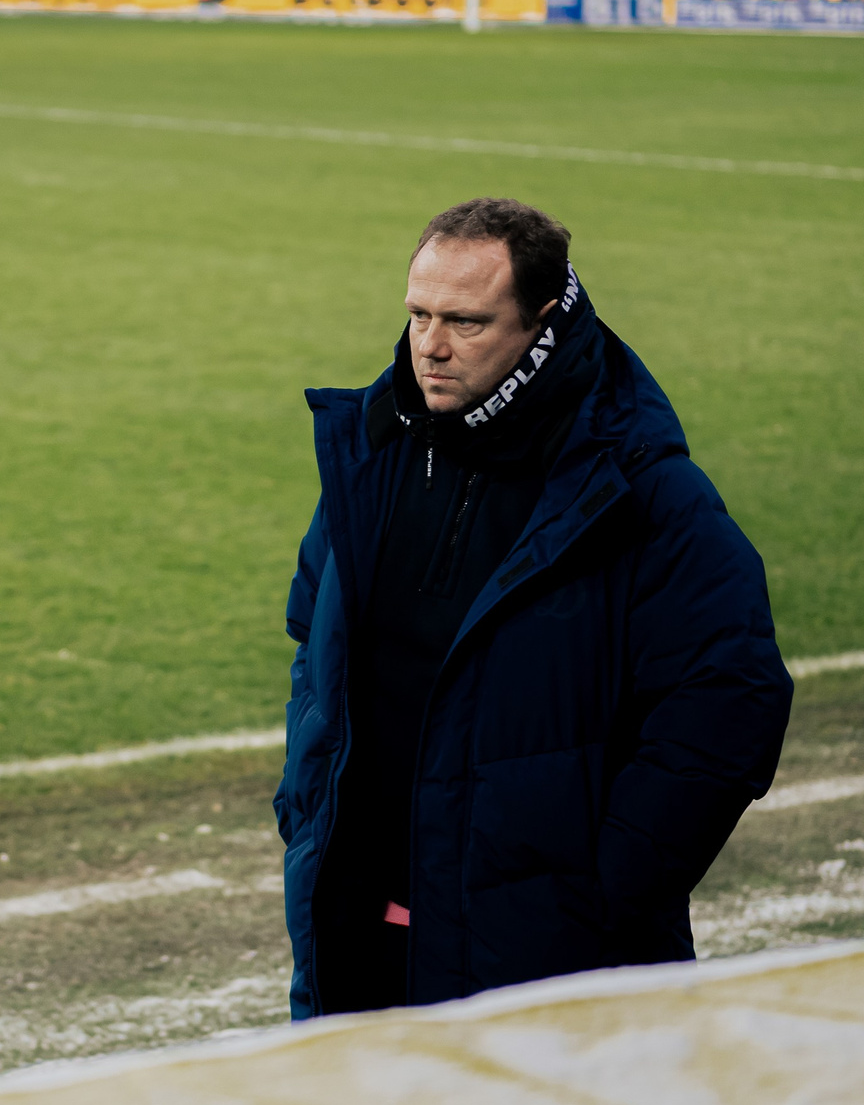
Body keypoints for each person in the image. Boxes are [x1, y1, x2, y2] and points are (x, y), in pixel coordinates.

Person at [275, 199, 792, 1019]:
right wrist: (304, 809)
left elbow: (731, 694)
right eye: (418, 314)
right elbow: (314, 644)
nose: (430, 344)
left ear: (543, 322)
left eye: (466, 322)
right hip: (355, 946)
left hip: (545, 967)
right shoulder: (376, 452)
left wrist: (603, 890)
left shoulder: (640, 490)